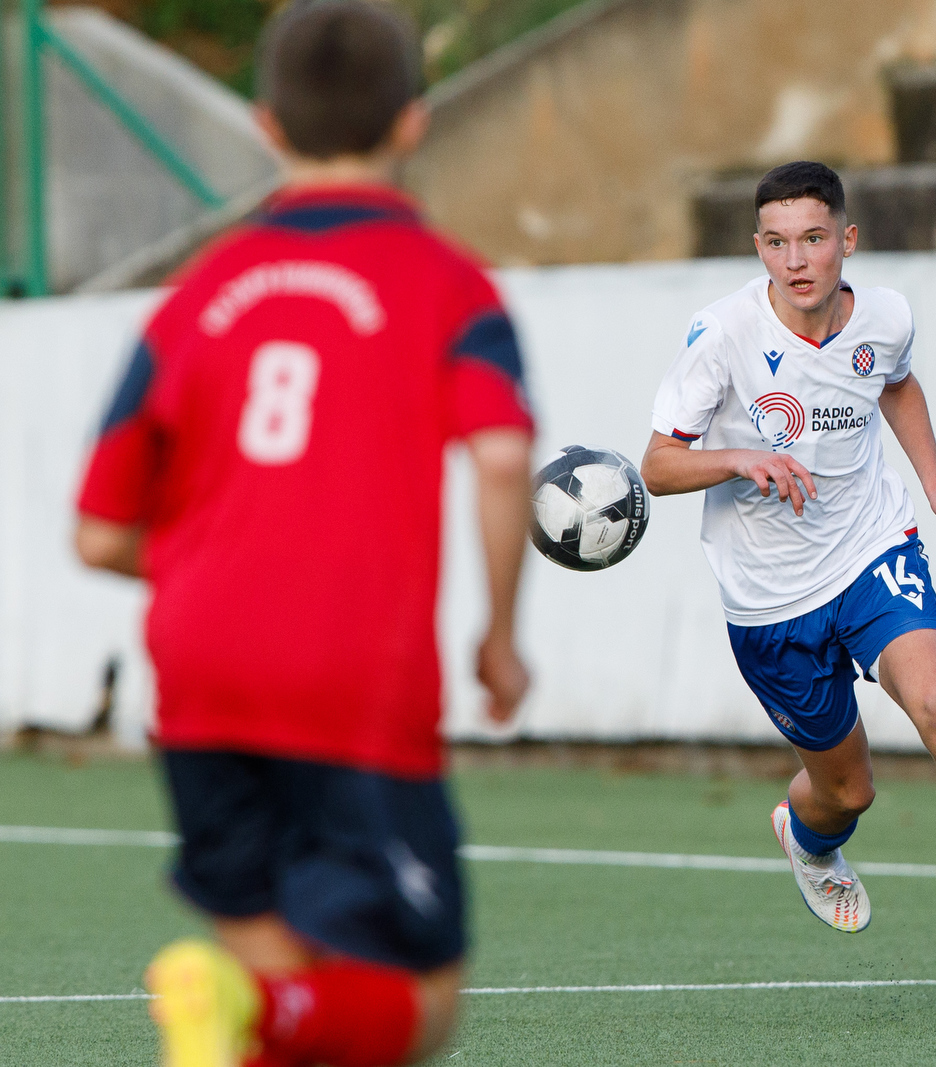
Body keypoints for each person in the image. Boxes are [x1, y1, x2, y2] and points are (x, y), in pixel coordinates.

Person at [73, 2, 536, 1063]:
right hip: (347, 667)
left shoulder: (194, 297)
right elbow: (504, 457)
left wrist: (203, 571)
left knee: (292, 971)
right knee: (420, 1001)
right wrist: (501, 635)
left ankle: (247, 1010)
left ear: (265, 123)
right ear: (414, 123)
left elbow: (100, 534)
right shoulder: (447, 283)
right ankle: (246, 1008)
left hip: (196, 669)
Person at [640, 161, 936, 992]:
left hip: (872, 548)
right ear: (757, 247)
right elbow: (658, 466)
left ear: (847, 240)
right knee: (848, 790)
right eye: (777, 243)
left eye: (813, 239)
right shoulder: (721, 334)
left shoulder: (885, 316)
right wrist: (739, 458)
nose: (797, 260)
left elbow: (894, 383)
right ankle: (809, 836)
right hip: (768, 600)